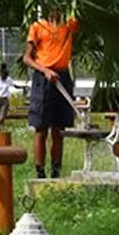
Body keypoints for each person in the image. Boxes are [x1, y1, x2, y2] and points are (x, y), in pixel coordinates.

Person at [23, 11, 79, 178]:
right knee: (41, 127)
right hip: (44, 78)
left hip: (62, 76)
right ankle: (40, 171)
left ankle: (56, 171)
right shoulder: (37, 27)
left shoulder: (69, 24)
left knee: (59, 129)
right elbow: (27, 58)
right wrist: (45, 70)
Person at [0, 63, 14, 131]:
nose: (4, 78)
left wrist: (23, 87)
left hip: (5, 100)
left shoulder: (8, 79)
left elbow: (14, 85)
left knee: (1, 117)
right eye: (3, 77)